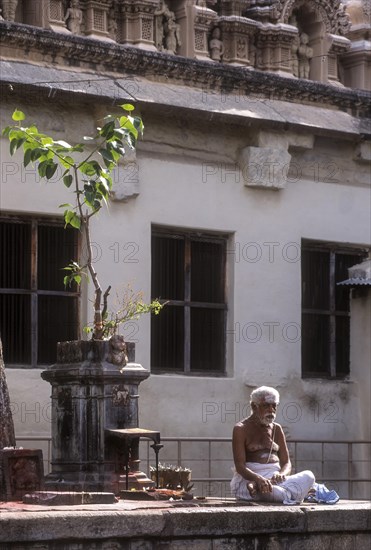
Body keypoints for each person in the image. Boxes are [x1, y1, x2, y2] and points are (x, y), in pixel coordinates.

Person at [231, 386, 315, 504]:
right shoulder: (240, 429)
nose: (271, 410)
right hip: (248, 479)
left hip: (275, 480)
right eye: (266, 405)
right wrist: (258, 479)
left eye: (274, 405)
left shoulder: (277, 428)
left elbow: (286, 463)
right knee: (280, 493)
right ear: (254, 406)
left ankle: (265, 488)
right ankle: (291, 494)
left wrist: (281, 474)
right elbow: (240, 466)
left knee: (309, 476)